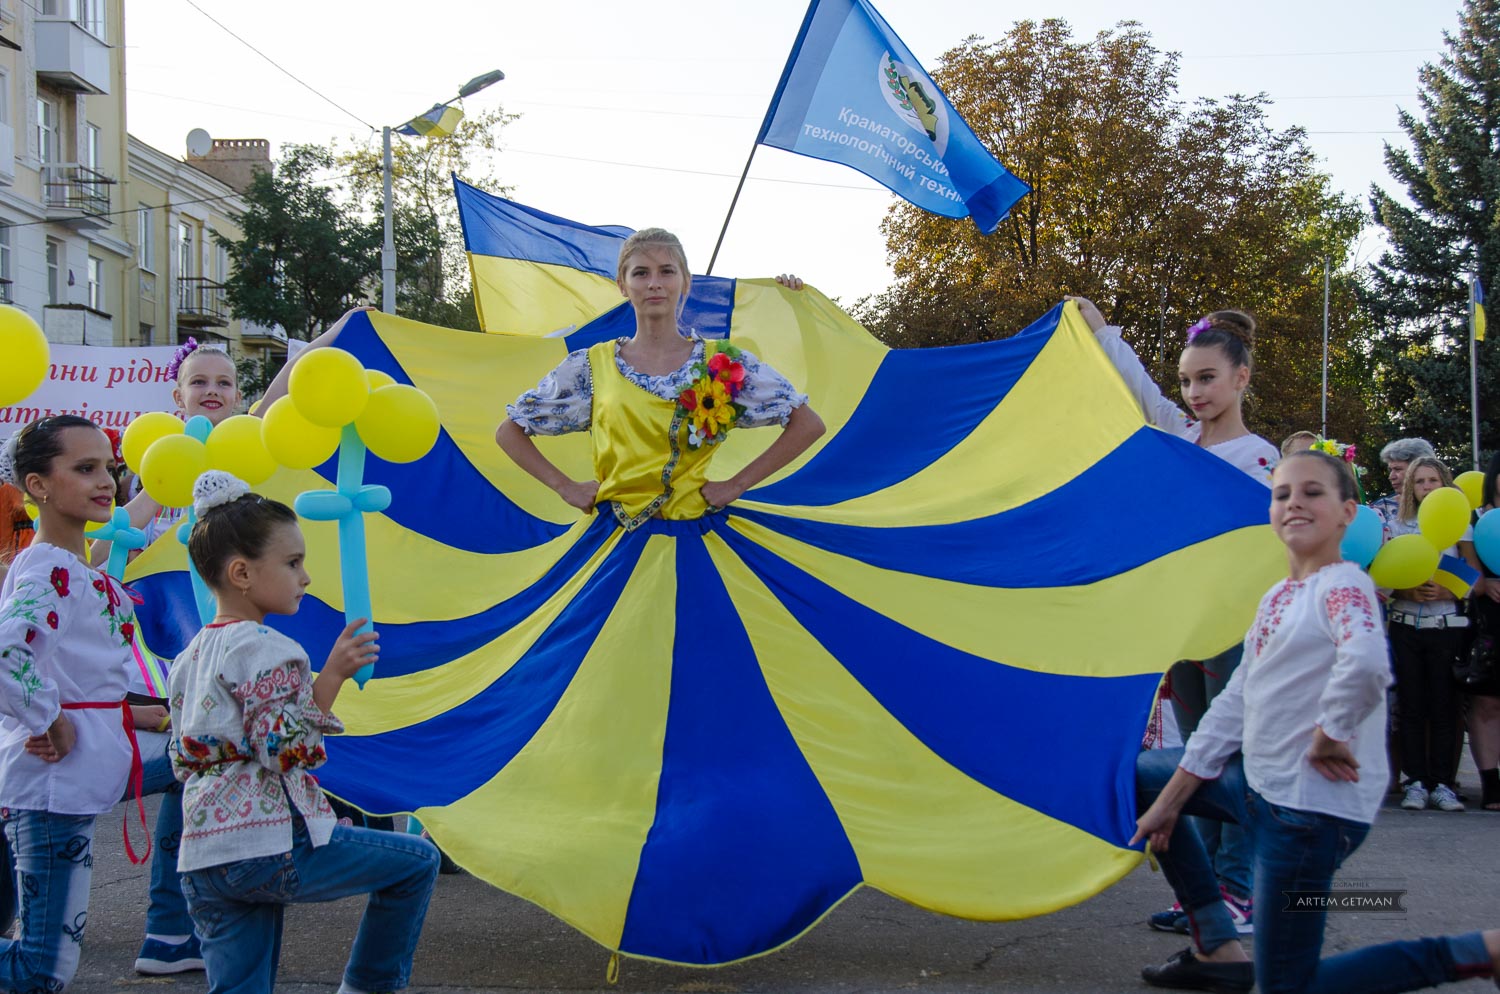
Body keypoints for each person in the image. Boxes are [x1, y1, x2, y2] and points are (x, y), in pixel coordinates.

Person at [1133, 448, 1500, 994]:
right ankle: (1216, 942)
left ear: (1348, 513)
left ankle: (1479, 951)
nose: (1294, 504)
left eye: (1312, 493)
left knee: (1287, 987)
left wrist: (1332, 731)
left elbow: (1369, 661)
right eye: (1282, 495)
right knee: (1141, 776)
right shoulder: (1280, 594)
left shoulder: (1343, 584)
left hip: (1308, 816)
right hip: (1258, 789)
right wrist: (1172, 798)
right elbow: (1236, 698)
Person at [169, 470, 440, 994]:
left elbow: (186, 753)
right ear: (242, 573)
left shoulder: (189, 657)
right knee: (417, 862)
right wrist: (332, 674)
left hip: (204, 853)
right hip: (266, 844)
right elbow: (287, 747)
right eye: (293, 563)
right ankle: (369, 984)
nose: (306, 577)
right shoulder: (269, 648)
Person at [1074, 297, 1276, 935]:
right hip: (1182, 631)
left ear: (1241, 378)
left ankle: (1239, 890)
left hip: (1236, 633)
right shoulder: (1179, 437)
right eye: (1187, 380)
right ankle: (1205, 895)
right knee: (1195, 757)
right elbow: (1137, 386)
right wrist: (1099, 327)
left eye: (1208, 378)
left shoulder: (1261, 459)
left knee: (1236, 758)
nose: (1194, 392)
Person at [495, 227, 824, 525]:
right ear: (623, 285)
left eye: (667, 271)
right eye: (641, 273)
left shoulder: (722, 364)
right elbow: (509, 431)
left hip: (696, 533)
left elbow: (808, 424)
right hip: (613, 543)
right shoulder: (589, 367)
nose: (654, 283)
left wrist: (735, 485)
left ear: (685, 281)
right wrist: (565, 487)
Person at [0, 415, 142, 990]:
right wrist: (50, 717)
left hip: (76, 778)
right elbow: (8, 656)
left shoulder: (76, 569)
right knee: (40, 970)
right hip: (52, 785)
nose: (106, 480)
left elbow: (81, 673)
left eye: (108, 467)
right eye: (85, 469)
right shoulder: (54, 569)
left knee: (43, 966)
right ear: (38, 485)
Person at [1383, 456, 1476, 812]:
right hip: (1406, 627)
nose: (1426, 487)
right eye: (1419, 481)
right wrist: (1404, 592)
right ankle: (1415, 782)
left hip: (1446, 627)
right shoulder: (1397, 523)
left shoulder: (1459, 523)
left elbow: (1473, 575)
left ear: (1444, 483)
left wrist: (1451, 591)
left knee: (1444, 707)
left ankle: (1443, 783)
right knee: (1411, 707)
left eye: (1432, 480)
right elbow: (1382, 576)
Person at [1461, 452, 1500, 812]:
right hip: (1490, 622)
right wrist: (1485, 583)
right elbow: (1469, 575)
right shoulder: (1475, 519)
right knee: (1487, 701)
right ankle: (1491, 785)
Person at [1371, 438, 1436, 529]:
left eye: (1398, 469)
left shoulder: (1449, 504)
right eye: (1390, 470)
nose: (1391, 477)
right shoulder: (1380, 510)